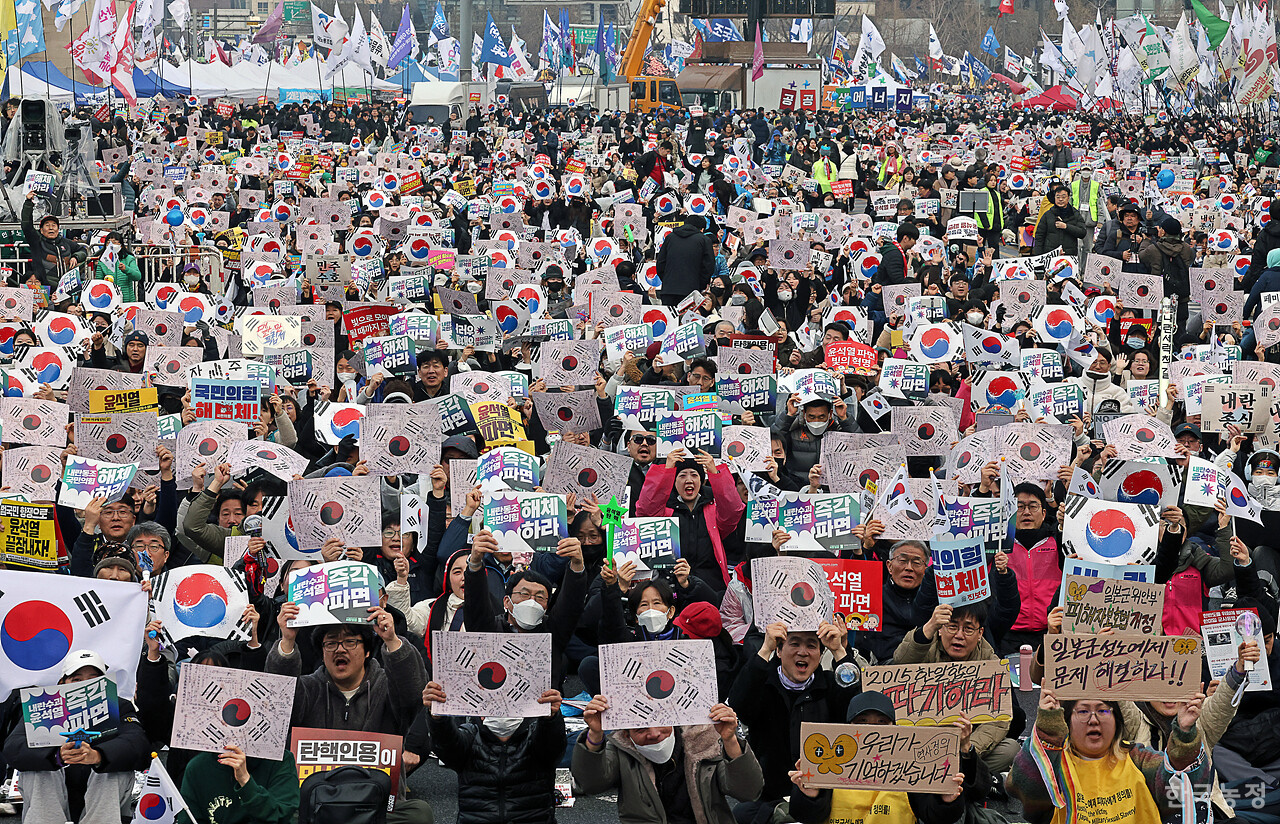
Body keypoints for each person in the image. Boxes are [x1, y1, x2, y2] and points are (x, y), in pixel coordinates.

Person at [1009, 688, 1210, 824]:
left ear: (1117, 721)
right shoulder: (1053, 764)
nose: (1093, 720)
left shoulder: (1137, 758)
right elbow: (1025, 791)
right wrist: (1047, 730)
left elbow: (1184, 788)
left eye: (1103, 711)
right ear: (1066, 721)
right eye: (1083, 711)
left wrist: (1184, 733)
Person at [726, 620, 861, 820]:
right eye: (795, 643)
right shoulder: (761, 682)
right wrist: (765, 649)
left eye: (811, 645)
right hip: (767, 797)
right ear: (779, 651)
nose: (803, 652)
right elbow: (739, 707)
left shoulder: (830, 685)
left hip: (818, 796)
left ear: (820, 654)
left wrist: (839, 651)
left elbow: (856, 708)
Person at [787, 691, 987, 824]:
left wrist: (946, 801)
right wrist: (809, 794)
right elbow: (806, 815)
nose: (872, 729)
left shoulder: (911, 763)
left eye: (881, 722)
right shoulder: (829, 762)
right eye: (862, 721)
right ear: (847, 727)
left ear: (894, 728)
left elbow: (934, 816)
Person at [3, 650, 151, 824]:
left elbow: (139, 746)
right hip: (54, 793)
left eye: (93, 679)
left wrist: (99, 757)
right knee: (38, 769)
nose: (84, 685)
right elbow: (13, 748)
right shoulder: (43, 707)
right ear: (62, 683)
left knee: (114, 769)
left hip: (101, 795)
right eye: (77, 680)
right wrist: (55, 756)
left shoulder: (119, 705)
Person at [572, 696, 763, 824]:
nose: (654, 734)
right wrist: (595, 734)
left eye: (661, 722)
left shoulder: (704, 743)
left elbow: (748, 791)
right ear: (626, 732)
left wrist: (730, 740)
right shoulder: (621, 748)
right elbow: (591, 784)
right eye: (641, 728)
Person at [893, 602, 1019, 774]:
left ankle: (957, 774)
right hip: (921, 743)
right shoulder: (926, 644)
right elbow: (899, 663)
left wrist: (966, 748)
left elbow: (998, 721)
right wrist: (928, 627)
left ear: (980, 633)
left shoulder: (990, 660)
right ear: (940, 628)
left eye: (968, 629)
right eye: (952, 627)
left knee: (1010, 750)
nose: (959, 635)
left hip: (963, 745)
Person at [421, 681, 566, 824]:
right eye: (493, 704)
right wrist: (437, 716)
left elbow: (553, 746)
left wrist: (551, 719)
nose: (502, 711)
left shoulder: (535, 738)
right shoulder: (470, 738)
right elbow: (445, 745)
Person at [178, 747, 300, 824]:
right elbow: (189, 818)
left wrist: (245, 781)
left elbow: (281, 815)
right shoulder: (198, 767)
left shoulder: (280, 760)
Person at [21, 191, 87, 288]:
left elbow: (83, 250)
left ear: (58, 228)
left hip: (67, 287)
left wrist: (76, 257)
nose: (51, 228)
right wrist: (28, 202)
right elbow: (26, 225)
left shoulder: (66, 243)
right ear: (41, 230)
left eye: (54, 225)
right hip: (45, 288)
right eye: (47, 225)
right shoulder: (37, 242)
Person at [656, 214, 716, 306]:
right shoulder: (704, 240)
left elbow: (660, 263)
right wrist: (700, 285)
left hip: (669, 290)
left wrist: (667, 280)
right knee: (688, 319)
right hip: (692, 290)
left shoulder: (670, 237)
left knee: (670, 319)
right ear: (702, 229)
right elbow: (708, 266)